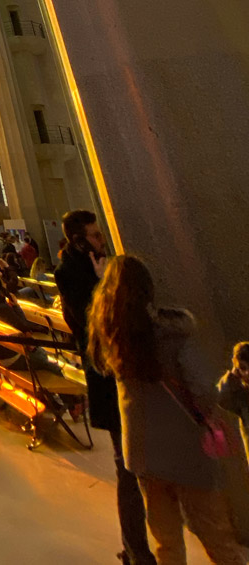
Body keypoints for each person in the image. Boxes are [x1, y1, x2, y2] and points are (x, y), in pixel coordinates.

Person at [88, 255, 242, 565]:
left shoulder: (110, 336)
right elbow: (202, 390)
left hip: (143, 452)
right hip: (187, 450)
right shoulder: (173, 334)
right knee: (216, 535)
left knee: (166, 541)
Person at [55, 210, 154, 565]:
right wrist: (101, 284)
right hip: (107, 376)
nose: (102, 241)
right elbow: (90, 325)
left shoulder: (91, 267)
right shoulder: (71, 274)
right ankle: (136, 548)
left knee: (136, 463)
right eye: (96, 236)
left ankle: (142, 544)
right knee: (126, 465)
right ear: (79, 239)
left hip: (123, 376)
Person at [217, 342, 249, 460]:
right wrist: (233, 376)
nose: (247, 373)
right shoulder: (243, 398)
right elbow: (222, 399)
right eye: (243, 368)